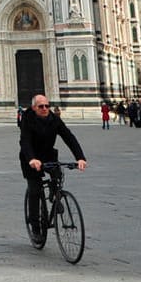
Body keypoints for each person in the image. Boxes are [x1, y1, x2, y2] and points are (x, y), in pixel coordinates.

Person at [18, 93, 88, 244]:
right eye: (41, 106)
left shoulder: (54, 119)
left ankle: (55, 195)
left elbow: (69, 137)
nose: (44, 109)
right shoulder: (27, 119)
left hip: (48, 155)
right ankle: (36, 228)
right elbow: (25, 141)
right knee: (35, 190)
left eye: (47, 106)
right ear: (33, 107)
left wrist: (80, 157)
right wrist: (31, 159)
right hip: (30, 158)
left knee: (57, 174)